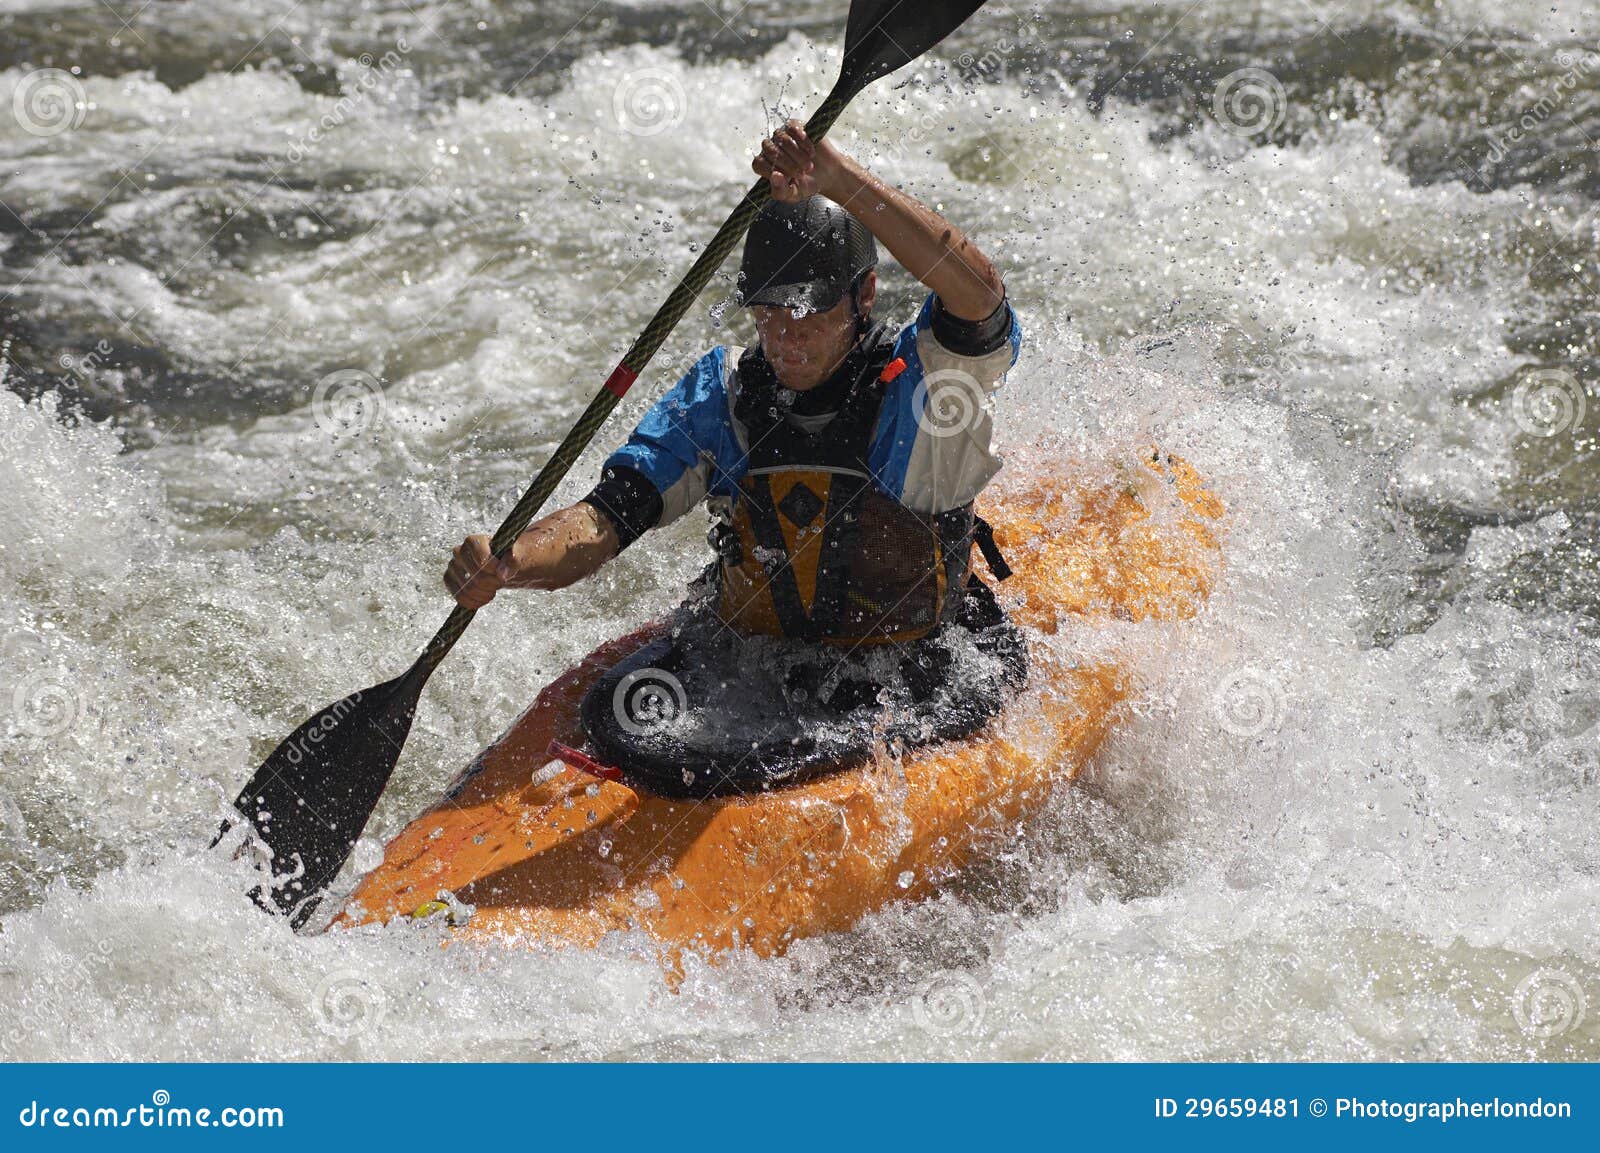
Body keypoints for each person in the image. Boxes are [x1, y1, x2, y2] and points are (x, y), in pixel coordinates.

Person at [444, 120, 1024, 795]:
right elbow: (603, 521)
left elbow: (979, 294)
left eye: (808, 310)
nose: (787, 335)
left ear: (864, 294)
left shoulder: (927, 385)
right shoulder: (724, 394)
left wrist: (839, 181)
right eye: (769, 311)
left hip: (908, 668)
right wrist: (512, 562)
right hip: (751, 663)